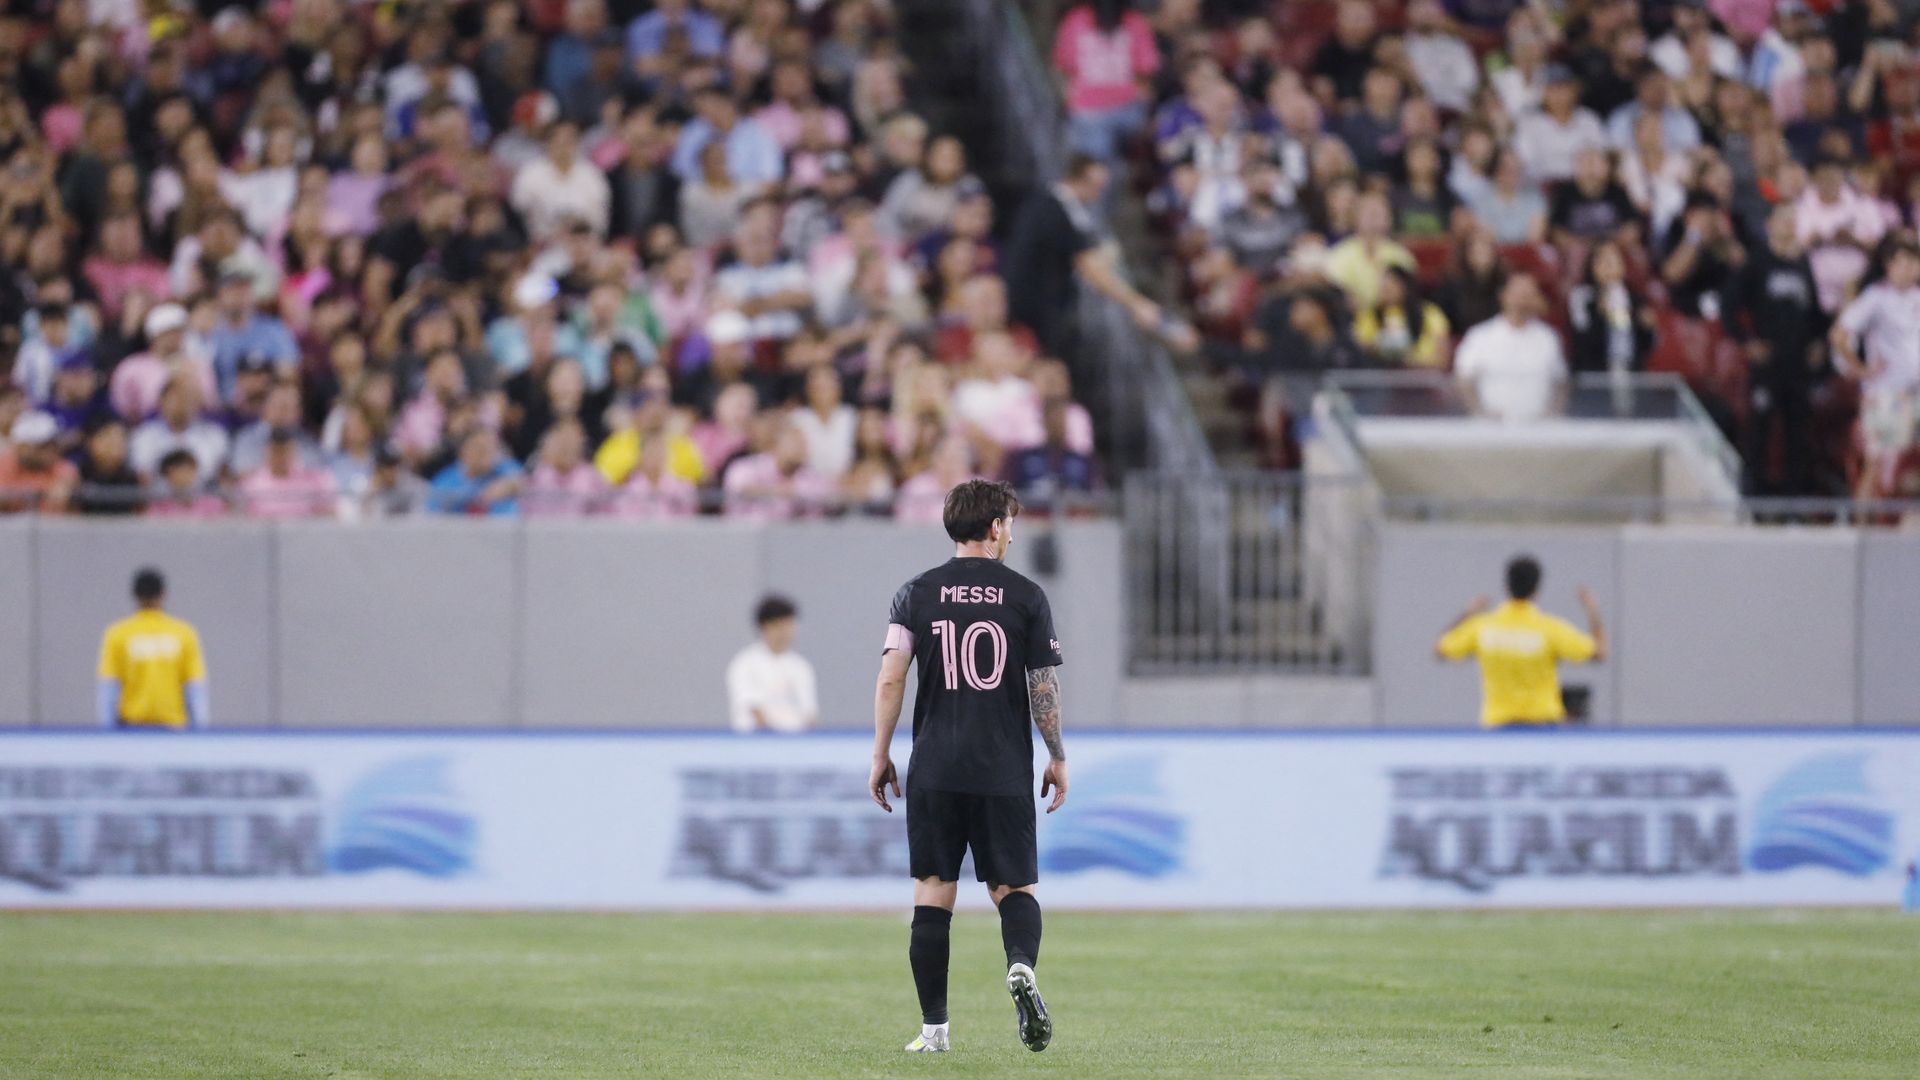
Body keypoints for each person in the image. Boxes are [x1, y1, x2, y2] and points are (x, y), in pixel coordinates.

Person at [869, 479, 1065, 1056]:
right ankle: (1021, 967)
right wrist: (1056, 755)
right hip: (1002, 768)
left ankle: (934, 1031)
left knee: (932, 894)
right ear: (996, 527)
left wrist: (881, 753)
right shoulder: (1026, 596)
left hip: (933, 768)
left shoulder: (915, 594)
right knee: (1015, 888)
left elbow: (891, 676)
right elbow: (1042, 688)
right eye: (1010, 522)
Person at [1434, 555, 1607, 729]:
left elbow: (1441, 649)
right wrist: (1592, 610)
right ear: (1537, 587)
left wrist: (1468, 614)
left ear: (1506, 585)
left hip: (1498, 726)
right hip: (1542, 724)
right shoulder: (1549, 629)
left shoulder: (1484, 627)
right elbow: (1599, 653)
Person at [1831, 241, 1920, 498]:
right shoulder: (1877, 297)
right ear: (1889, 266)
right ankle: (1862, 531)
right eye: (1902, 263)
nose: (1908, 269)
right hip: (1888, 393)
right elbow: (1839, 335)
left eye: (1913, 263)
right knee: (1878, 461)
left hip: (1916, 392)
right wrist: (1859, 370)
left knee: (1910, 464)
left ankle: (1902, 521)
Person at [97, 567, 209, 730]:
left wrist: (107, 734)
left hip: (132, 729)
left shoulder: (118, 634)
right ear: (163, 594)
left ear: (135, 595)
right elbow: (194, 689)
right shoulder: (183, 634)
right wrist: (200, 731)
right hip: (173, 730)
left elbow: (109, 689)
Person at [1454, 274, 1569, 422]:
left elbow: (1560, 382)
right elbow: (1463, 380)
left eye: (1529, 294)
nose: (1523, 300)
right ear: (1504, 296)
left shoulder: (1549, 337)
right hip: (1490, 432)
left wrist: (1552, 414)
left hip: (1540, 432)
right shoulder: (1480, 336)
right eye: (1519, 294)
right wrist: (1480, 412)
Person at [725, 595, 819, 734]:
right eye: (779, 626)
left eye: (789, 625)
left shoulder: (800, 666)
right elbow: (752, 708)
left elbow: (809, 713)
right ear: (765, 627)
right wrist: (773, 741)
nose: (785, 632)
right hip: (753, 742)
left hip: (795, 744)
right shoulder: (745, 664)